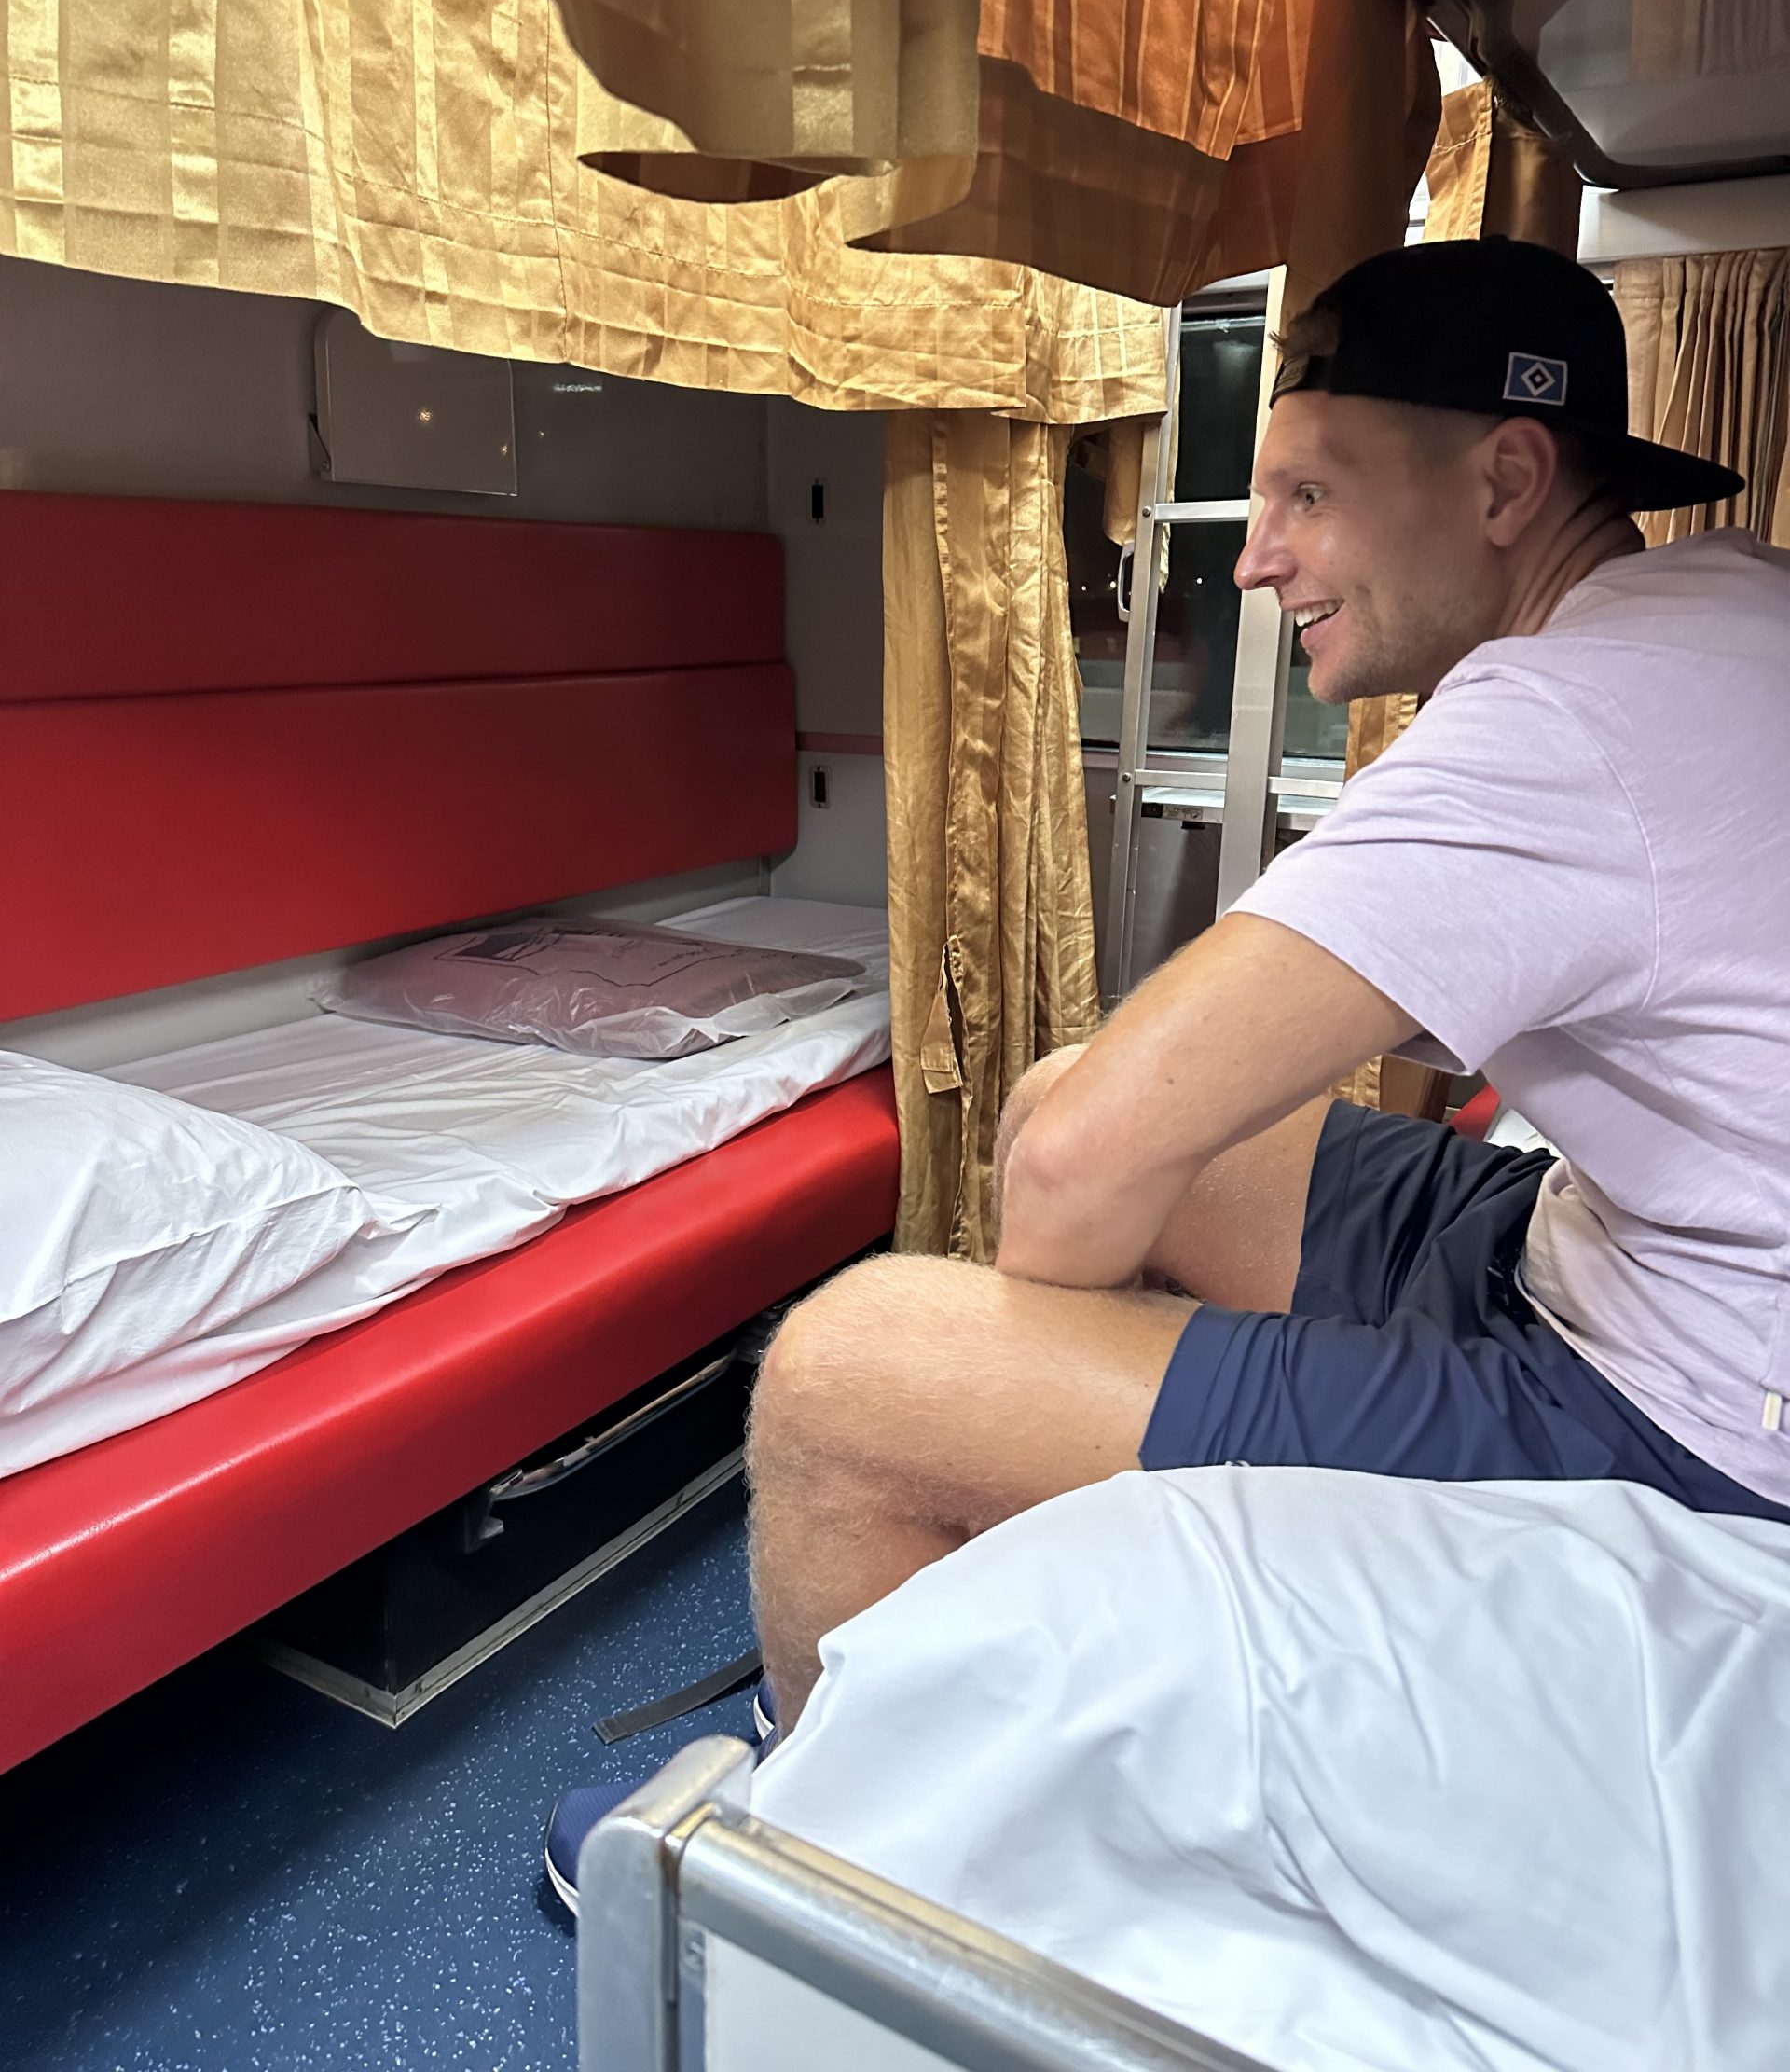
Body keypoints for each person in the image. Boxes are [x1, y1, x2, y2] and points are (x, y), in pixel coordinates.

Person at [545, 236, 1790, 1905]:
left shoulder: (1568, 719)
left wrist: (998, 1422)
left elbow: (1079, 1171)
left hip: (1693, 1425)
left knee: (855, 1371)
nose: (1256, 558)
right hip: (1609, 1257)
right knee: (1062, 1092)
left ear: (1506, 482)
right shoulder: (1722, 609)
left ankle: (827, 1845)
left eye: (1309, 495)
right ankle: (988, 1622)